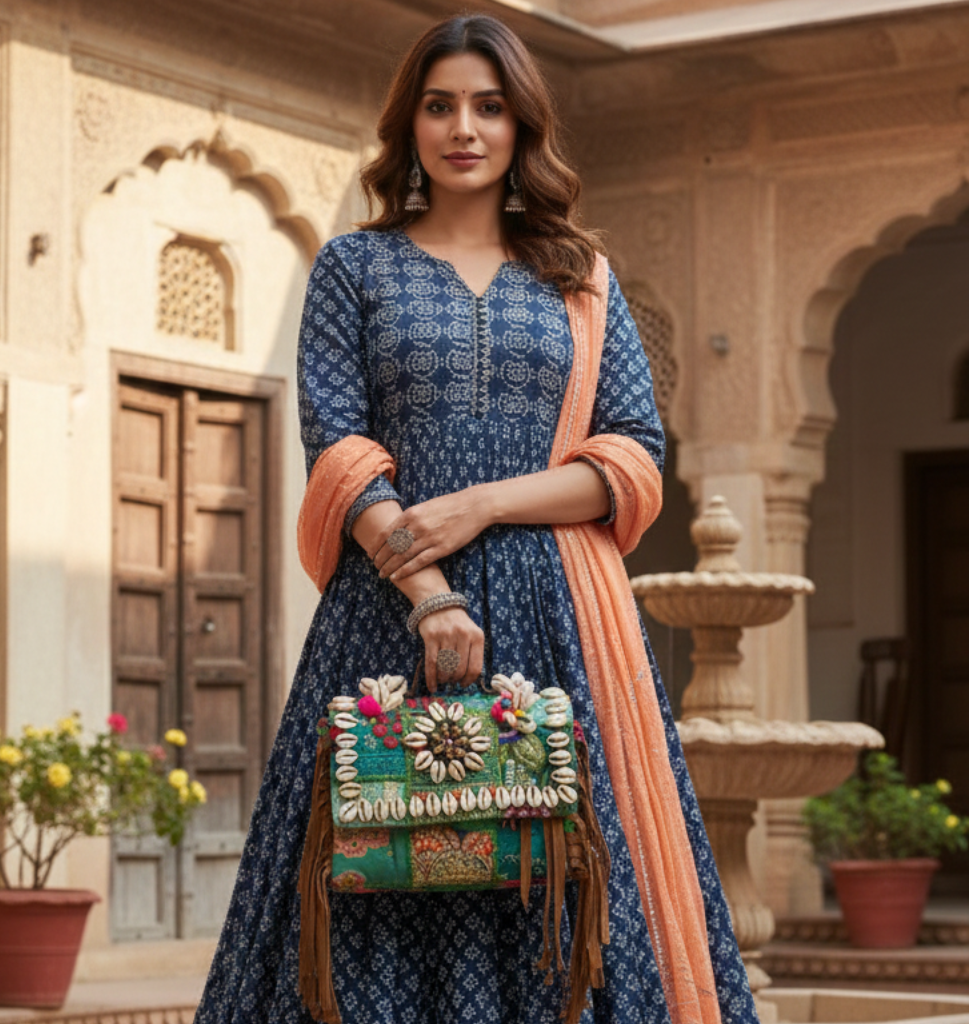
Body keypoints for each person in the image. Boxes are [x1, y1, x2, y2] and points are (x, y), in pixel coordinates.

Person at [195, 13, 758, 1024]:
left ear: (521, 126)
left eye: (489, 107)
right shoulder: (354, 267)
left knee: (560, 878)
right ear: (408, 124)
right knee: (384, 858)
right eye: (441, 104)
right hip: (392, 612)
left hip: (557, 618)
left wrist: (482, 504)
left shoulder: (578, 276)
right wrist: (429, 593)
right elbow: (338, 448)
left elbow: (630, 457)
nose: (465, 127)